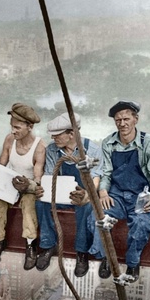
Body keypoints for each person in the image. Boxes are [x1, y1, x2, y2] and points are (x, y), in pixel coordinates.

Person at [89, 100, 150, 281]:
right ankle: (107, 257)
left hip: (142, 195)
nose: (122, 124)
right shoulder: (108, 143)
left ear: (135, 119)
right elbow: (106, 173)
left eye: (126, 119)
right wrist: (103, 192)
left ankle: (132, 263)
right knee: (97, 217)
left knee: (141, 224)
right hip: (116, 195)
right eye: (118, 120)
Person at [34, 113, 103, 277]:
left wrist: (87, 195)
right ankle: (48, 244)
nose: (53, 138)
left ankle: (81, 252)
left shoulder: (92, 150)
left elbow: (95, 179)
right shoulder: (52, 149)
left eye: (57, 135)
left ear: (71, 133)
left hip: (82, 195)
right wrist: (42, 189)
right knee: (40, 202)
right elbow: (50, 175)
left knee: (86, 207)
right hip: (60, 194)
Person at [0, 103, 46, 270]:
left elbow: (38, 177)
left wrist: (27, 185)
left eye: (17, 127)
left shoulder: (39, 147)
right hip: (11, 181)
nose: (13, 131)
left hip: (28, 185)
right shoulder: (9, 139)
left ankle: (30, 244)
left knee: (28, 203)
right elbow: (2, 165)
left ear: (30, 127)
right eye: (12, 127)